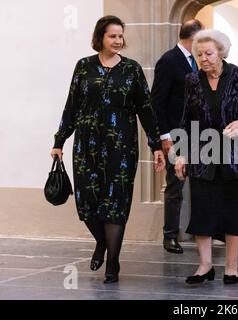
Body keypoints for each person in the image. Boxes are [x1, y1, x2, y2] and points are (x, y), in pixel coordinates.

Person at [50, 15, 165, 284]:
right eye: (113, 36)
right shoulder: (83, 67)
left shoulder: (132, 70)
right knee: (86, 202)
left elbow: (146, 109)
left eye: (120, 36)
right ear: (100, 37)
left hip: (121, 147)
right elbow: (72, 106)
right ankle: (102, 242)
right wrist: (59, 141)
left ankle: (112, 263)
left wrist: (156, 144)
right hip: (86, 146)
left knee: (116, 204)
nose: (118, 41)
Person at [175, 29, 238, 284]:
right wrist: (180, 154)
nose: (204, 58)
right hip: (202, 153)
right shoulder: (192, 80)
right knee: (202, 210)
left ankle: (231, 266)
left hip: (234, 153)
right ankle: (205, 266)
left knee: (232, 210)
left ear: (221, 52)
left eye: (209, 53)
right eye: (199, 54)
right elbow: (186, 119)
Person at [151, 19, 204, 254]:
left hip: (200, 132)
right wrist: (164, 136)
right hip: (175, 133)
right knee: (175, 185)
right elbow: (157, 102)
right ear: (192, 39)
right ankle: (170, 235)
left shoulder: (201, 61)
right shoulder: (169, 60)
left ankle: (206, 229)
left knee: (204, 182)